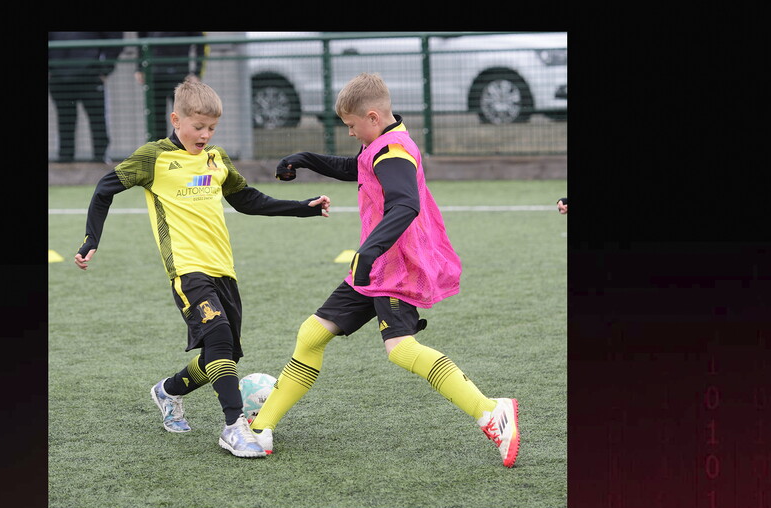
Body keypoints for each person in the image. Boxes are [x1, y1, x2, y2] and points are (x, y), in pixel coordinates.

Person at [250, 73, 520, 468]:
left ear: (372, 117)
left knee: (401, 349)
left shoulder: (394, 152)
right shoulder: (381, 144)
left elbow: (405, 204)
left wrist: (369, 249)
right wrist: (304, 159)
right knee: (312, 334)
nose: (350, 133)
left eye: (351, 126)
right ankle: (261, 427)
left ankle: (490, 411)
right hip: (375, 269)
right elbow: (356, 167)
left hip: (395, 267)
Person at [74, 76, 331, 458]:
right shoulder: (154, 157)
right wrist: (92, 238)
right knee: (220, 337)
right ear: (176, 120)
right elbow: (104, 189)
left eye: (211, 127)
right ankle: (233, 427)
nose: (205, 134)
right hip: (188, 271)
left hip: (223, 269)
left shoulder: (217, 158)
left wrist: (301, 207)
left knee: (223, 354)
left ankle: (169, 391)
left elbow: (247, 200)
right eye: (198, 127)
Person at [48, 32, 124, 163]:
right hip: (58, 76)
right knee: (64, 120)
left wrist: (105, 69)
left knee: (97, 119)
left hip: (91, 74)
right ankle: (65, 161)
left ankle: (100, 159)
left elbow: (115, 39)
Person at [136, 32, 207, 141]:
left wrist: (196, 73)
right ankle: (159, 153)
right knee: (156, 119)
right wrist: (139, 68)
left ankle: (184, 153)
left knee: (184, 118)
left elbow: (202, 43)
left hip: (181, 76)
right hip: (155, 75)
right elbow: (141, 41)